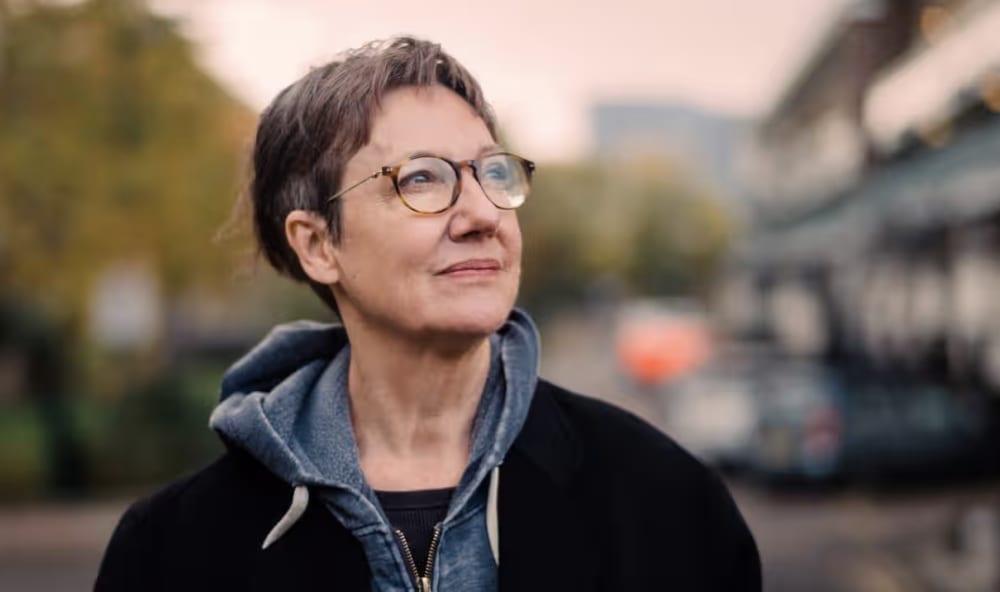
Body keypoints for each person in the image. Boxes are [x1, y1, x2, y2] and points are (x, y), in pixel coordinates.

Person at [95, 37, 760, 591]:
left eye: (492, 174)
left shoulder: (666, 504)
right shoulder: (173, 551)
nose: (480, 215)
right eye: (421, 179)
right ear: (319, 244)